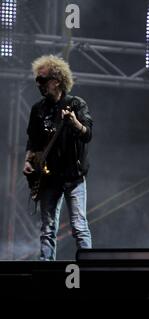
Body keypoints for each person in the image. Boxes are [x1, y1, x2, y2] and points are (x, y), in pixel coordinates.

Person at [23, 55, 93, 260]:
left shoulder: (76, 104)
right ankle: (46, 272)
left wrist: (74, 123)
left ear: (57, 80)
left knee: (79, 227)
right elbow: (33, 141)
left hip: (74, 177)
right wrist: (28, 160)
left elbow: (87, 134)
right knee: (47, 229)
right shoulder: (38, 109)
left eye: (42, 80)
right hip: (49, 178)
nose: (39, 84)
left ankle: (88, 269)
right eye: (37, 80)